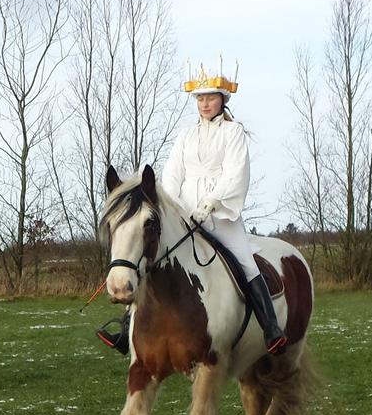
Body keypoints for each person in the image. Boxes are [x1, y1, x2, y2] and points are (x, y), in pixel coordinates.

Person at [97, 67, 286, 355]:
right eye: (200, 99)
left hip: (221, 214)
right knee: (152, 262)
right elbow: (172, 174)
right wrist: (172, 207)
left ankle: (271, 329)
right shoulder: (186, 135)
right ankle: (126, 329)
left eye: (210, 98)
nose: (205, 104)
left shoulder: (233, 132)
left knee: (246, 263)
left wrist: (211, 203)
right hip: (186, 213)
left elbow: (235, 173)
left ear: (222, 99)